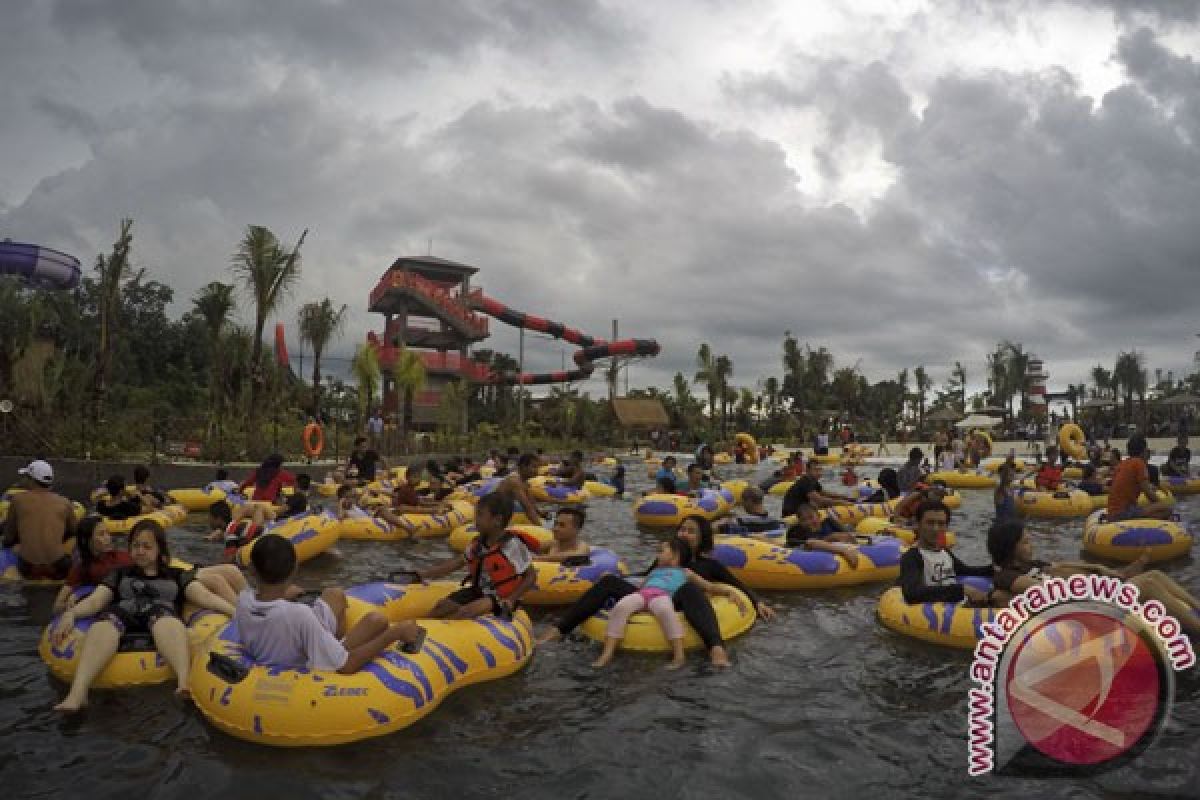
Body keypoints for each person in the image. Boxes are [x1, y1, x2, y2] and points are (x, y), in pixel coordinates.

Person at [537, 515, 774, 667]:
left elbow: (734, 583)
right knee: (608, 583)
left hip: (681, 602)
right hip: (650, 596)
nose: (684, 534)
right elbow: (645, 578)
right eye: (682, 529)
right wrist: (616, 579)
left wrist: (756, 601)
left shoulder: (708, 565)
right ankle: (559, 629)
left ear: (703, 538)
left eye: (691, 531)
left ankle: (716, 648)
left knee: (690, 588)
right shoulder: (665, 561)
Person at [50, 521, 236, 712]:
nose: (140, 551)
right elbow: (96, 601)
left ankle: (183, 682)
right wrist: (71, 614)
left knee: (166, 621)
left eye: (147, 546)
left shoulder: (177, 575)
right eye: (136, 546)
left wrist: (233, 612)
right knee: (103, 624)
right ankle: (77, 694)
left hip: (161, 615)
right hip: (123, 613)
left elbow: (205, 597)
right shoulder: (119, 574)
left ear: (159, 550)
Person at [235, 534, 425, 674]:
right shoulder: (299, 615)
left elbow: (270, 613)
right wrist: (394, 634)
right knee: (379, 621)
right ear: (294, 569)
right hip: (305, 666)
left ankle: (331, 644)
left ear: (252, 570)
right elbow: (347, 666)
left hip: (287, 643)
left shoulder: (243, 600)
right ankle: (332, 646)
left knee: (334, 594)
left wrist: (283, 596)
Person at [986, 520, 1200, 635]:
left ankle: (1197, 607)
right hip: (1081, 611)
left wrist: (1096, 568)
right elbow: (1047, 592)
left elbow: (1060, 566)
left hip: (1088, 599)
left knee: (1154, 574)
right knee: (1148, 583)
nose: (1031, 544)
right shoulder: (1007, 576)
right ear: (1010, 548)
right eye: (1025, 542)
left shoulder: (1030, 564)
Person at [590, 537, 749, 670]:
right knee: (621, 607)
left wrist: (728, 591)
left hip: (663, 597)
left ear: (675, 556)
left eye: (662, 551)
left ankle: (679, 656)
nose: (657, 555)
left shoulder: (686, 573)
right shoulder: (653, 572)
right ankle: (607, 654)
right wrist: (615, 579)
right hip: (643, 595)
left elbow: (709, 586)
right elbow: (639, 586)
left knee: (666, 612)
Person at [62, 517, 247, 610]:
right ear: (87, 540)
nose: (108, 537)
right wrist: (82, 593)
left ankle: (254, 608)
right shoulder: (84, 567)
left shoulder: (116, 554)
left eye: (107, 532)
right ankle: (244, 618)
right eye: (101, 534)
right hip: (160, 575)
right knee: (216, 580)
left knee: (232, 570)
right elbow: (58, 604)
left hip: (166, 567)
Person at [416, 493, 538, 619]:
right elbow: (457, 563)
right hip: (478, 591)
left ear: (497, 520)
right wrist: (424, 574)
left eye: (480, 515)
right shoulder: (478, 543)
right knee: (441, 606)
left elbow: (531, 576)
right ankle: (421, 626)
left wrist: (511, 600)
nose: (476, 520)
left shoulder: (512, 545)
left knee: (465, 612)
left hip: (501, 596)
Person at [898, 500, 992, 605]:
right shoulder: (912, 557)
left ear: (946, 527)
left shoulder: (945, 552)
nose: (935, 529)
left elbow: (967, 571)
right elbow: (911, 594)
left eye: (941, 524)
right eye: (930, 523)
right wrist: (961, 590)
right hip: (932, 612)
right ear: (918, 524)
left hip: (954, 607)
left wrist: (994, 569)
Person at [2, 460, 77, 580]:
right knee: (73, 539)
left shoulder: (17, 500)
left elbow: (9, 537)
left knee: (11, 546)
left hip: (28, 567)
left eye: (26, 477)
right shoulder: (65, 502)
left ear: (31, 480)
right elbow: (74, 531)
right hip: (59, 566)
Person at [1107, 434, 1172, 520]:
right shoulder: (1139, 463)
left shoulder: (1122, 464)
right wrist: (1161, 504)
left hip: (1113, 512)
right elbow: (1148, 494)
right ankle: (1144, 523)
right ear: (1143, 451)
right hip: (1122, 513)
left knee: (1151, 507)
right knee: (1167, 509)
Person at [785, 503, 860, 567]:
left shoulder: (829, 522)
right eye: (804, 520)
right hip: (812, 551)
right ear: (800, 522)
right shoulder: (799, 530)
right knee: (815, 541)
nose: (808, 522)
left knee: (843, 534)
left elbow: (848, 536)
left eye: (811, 517)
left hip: (838, 545)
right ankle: (844, 551)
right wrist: (832, 539)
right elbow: (810, 544)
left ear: (819, 516)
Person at [494, 453, 543, 526]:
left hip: (503, 510)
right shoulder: (515, 481)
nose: (536, 470)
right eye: (534, 467)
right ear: (523, 467)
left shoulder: (524, 482)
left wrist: (541, 513)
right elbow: (527, 508)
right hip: (494, 513)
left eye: (537, 467)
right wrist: (542, 529)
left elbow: (532, 503)